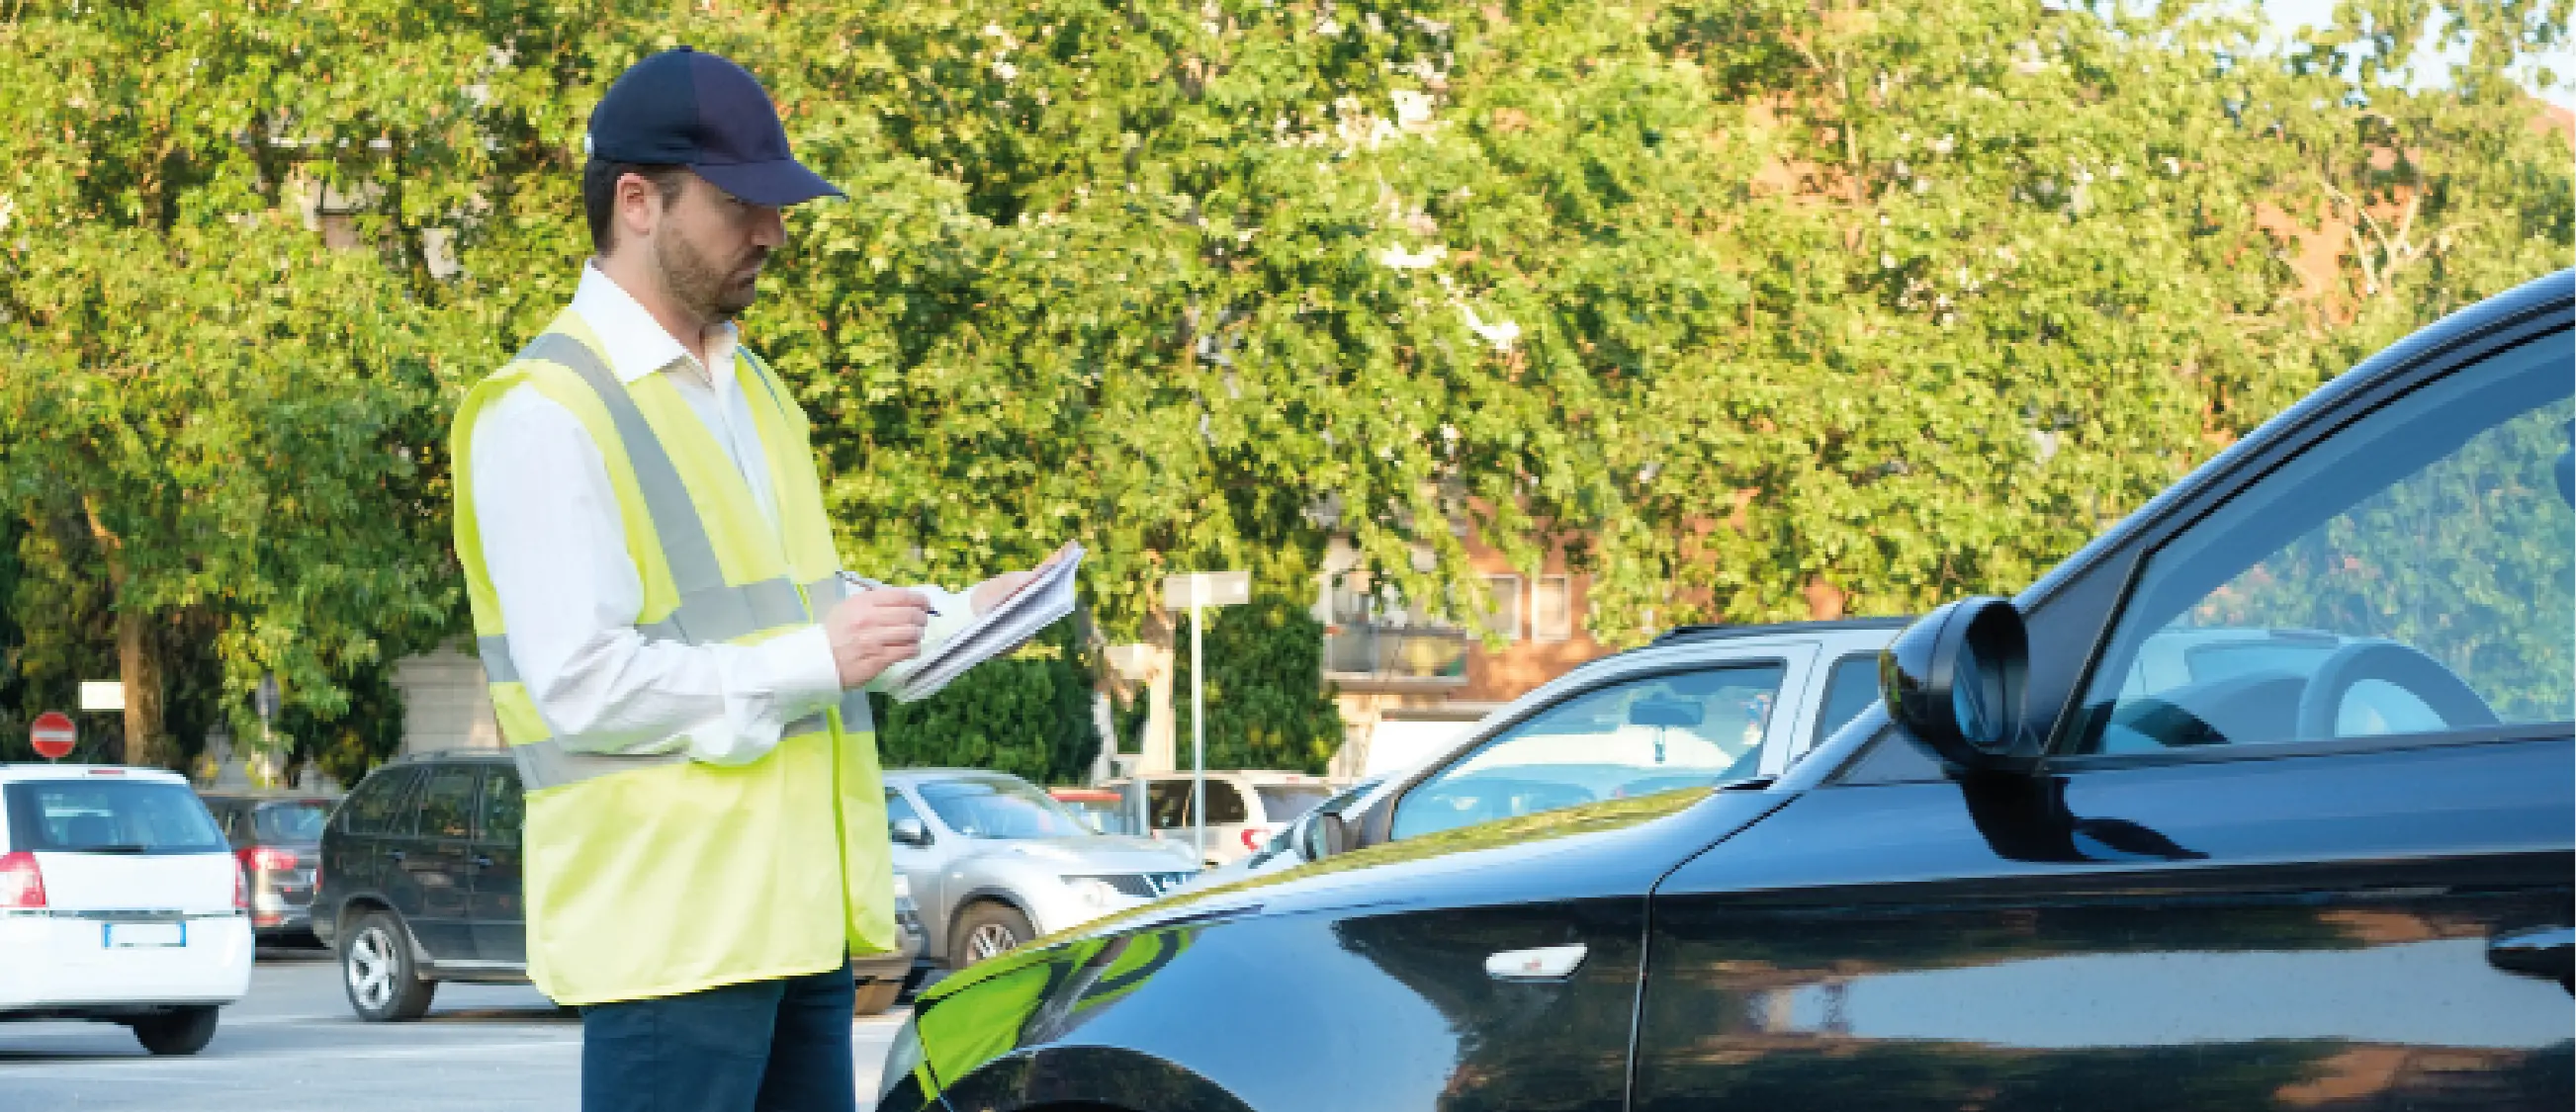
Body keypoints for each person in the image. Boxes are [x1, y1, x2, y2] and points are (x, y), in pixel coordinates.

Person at [448, 47, 1053, 1112]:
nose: (772, 232)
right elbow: (580, 684)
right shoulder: (544, 411)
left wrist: (959, 619)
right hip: (668, 940)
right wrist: (818, 657)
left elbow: (794, 610)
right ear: (636, 202)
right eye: (740, 205)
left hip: (795, 928)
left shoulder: (752, 388)